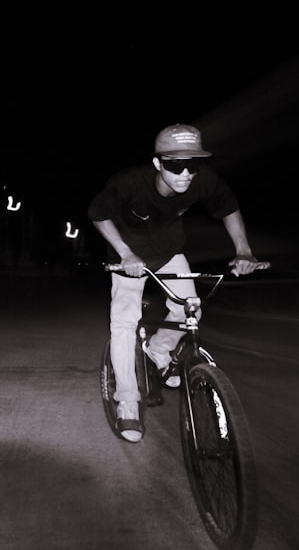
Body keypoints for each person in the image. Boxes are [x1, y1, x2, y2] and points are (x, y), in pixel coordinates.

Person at [88, 123, 262, 442]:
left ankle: (158, 349)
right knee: (125, 323)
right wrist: (126, 254)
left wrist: (244, 251)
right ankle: (127, 400)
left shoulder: (202, 181)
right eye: (174, 165)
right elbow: (98, 213)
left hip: (169, 251)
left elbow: (229, 206)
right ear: (158, 164)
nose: (184, 174)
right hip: (128, 255)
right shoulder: (131, 183)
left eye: (192, 164)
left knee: (190, 308)